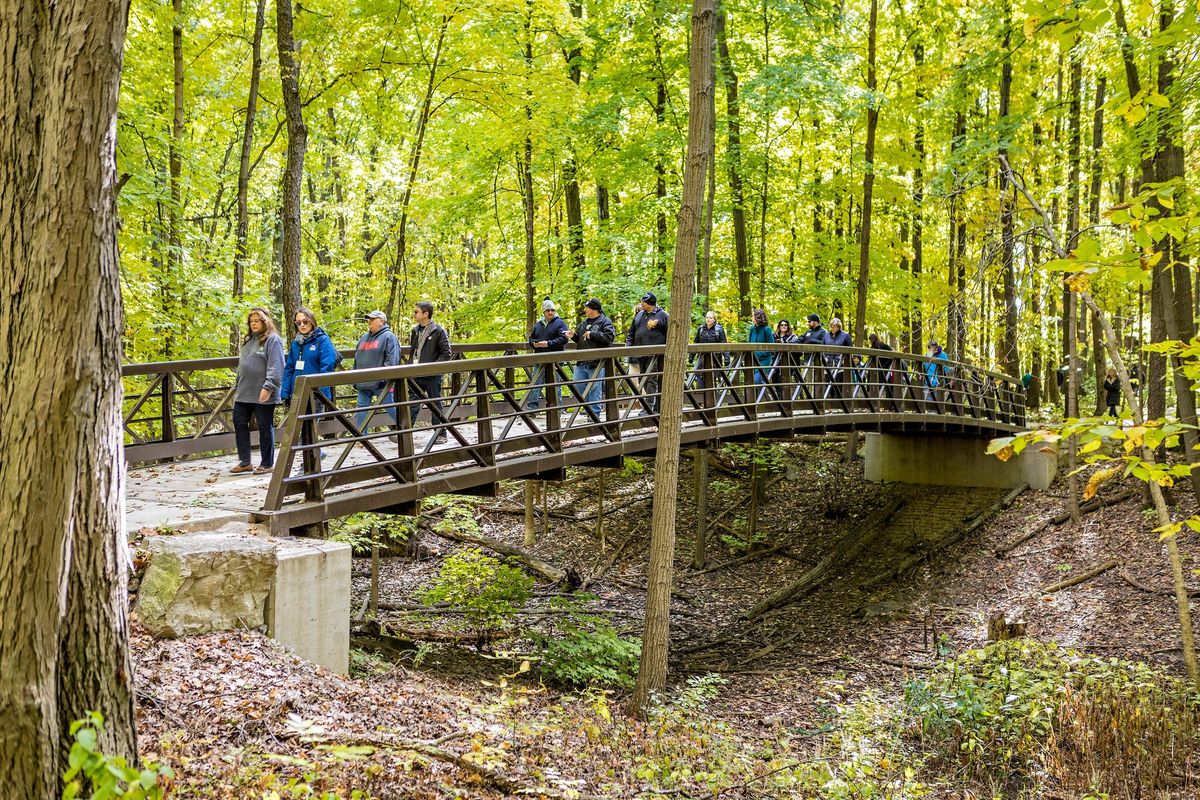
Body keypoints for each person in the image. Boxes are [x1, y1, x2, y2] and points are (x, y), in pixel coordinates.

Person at [280, 307, 339, 461]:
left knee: (307, 430)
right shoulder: (296, 343)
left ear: (312, 321)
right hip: (298, 392)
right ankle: (316, 456)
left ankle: (308, 465)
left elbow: (327, 366)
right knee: (301, 430)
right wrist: (285, 392)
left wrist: (319, 389)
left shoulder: (322, 340)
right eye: (298, 323)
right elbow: (290, 368)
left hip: (315, 393)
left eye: (305, 322)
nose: (302, 325)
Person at [231, 307, 285, 474]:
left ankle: (267, 463)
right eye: (251, 321)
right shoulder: (248, 340)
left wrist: (268, 387)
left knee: (264, 426)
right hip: (244, 391)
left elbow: (277, 367)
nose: (254, 324)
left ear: (265, 321)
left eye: (257, 321)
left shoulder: (272, 340)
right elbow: (242, 365)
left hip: (263, 391)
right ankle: (245, 461)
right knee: (239, 422)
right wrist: (237, 384)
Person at [408, 300, 452, 442]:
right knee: (412, 403)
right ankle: (403, 433)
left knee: (435, 403)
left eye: (417, 312)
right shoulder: (415, 331)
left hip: (432, 375)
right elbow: (413, 351)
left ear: (426, 314)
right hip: (416, 372)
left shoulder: (438, 331)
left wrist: (433, 368)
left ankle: (441, 434)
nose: (414, 314)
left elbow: (446, 354)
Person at [353, 310, 401, 432]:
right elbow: (357, 358)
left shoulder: (389, 337)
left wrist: (384, 378)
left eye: (373, 319)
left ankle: (405, 428)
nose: (370, 322)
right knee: (361, 407)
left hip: (381, 383)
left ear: (382, 321)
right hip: (363, 381)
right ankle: (361, 437)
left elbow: (392, 360)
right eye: (369, 319)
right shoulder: (364, 338)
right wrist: (355, 377)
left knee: (390, 407)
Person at [567, 298, 616, 417]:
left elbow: (609, 336)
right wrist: (573, 336)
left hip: (597, 362)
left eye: (587, 308)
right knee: (578, 385)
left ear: (594, 309)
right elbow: (580, 338)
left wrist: (593, 335)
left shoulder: (605, 321)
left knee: (595, 388)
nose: (585, 310)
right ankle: (588, 408)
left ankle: (594, 413)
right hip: (582, 361)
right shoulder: (584, 323)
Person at [626, 292, 669, 414]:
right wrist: (628, 347)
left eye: (643, 302)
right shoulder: (640, 315)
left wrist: (658, 324)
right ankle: (650, 405)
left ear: (650, 303)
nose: (641, 304)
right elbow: (631, 332)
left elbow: (671, 334)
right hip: (640, 353)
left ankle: (649, 407)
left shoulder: (662, 315)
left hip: (655, 355)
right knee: (642, 379)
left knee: (651, 379)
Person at [526, 299, 569, 410]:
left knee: (555, 385)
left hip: (555, 360)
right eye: (547, 310)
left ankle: (558, 409)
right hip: (539, 359)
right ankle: (532, 409)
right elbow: (531, 338)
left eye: (552, 310)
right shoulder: (538, 325)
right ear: (543, 312)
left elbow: (564, 339)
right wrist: (534, 344)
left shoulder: (560, 323)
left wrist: (548, 344)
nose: (550, 312)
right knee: (536, 384)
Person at [694, 310, 728, 388]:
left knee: (712, 375)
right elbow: (696, 343)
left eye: (710, 318)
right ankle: (705, 392)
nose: (708, 319)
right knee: (698, 374)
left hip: (715, 358)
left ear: (714, 319)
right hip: (701, 358)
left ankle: (712, 394)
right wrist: (691, 356)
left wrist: (726, 358)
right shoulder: (701, 329)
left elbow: (724, 344)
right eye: (707, 317)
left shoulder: (719, 330)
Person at [748, 308, 776, 385]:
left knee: (757, 379)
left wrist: (759, 353)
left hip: (764, 360)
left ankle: (768, 394)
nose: (752, 318)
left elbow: (771, 347)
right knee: (751, 381)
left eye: (753, 316)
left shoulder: (767, 330)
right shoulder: (752, 329)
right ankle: (759, 396)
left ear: (757, 317)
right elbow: (749, 344)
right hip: (753, 360)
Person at [924, 339, 951, 404]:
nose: (929, 349)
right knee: (927, 404)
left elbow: (947, 370)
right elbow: (923, 367)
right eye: (928, 347)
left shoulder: (943, 355)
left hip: (938, 384)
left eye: (930, 347)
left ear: (935, 348)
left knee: (937, 405)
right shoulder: (927, 355)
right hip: (927, 383)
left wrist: (944, 384)